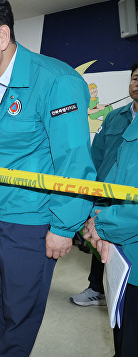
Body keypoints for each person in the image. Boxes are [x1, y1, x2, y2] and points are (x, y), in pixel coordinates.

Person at [0, 0, 96, 356]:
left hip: (33, 223)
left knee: (21, 312)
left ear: (2, 37)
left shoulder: (55, 82)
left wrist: (64, 227)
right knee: (0, 300)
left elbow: (74, 163)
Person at [70, 66, 138, 307]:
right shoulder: (114, 117)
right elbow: (97, 155)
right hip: (105, 197)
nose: (137, 83)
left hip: (130, 203)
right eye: (135, 78)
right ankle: (97, 288)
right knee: (102, 246)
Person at [83, 64, 138, 356]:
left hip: (122, 225)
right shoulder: (120, 118)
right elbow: (104, 164)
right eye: (135, 77)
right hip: (110, 214)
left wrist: (101, 223)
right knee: (122, 327)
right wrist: (96, 211)